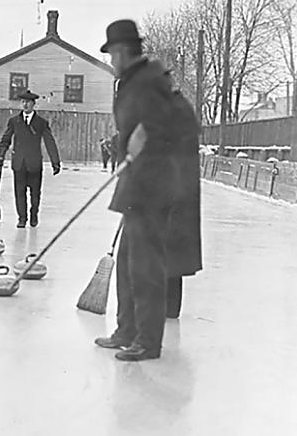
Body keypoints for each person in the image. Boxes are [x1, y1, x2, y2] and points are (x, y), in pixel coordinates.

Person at [93, 19, 201, 361]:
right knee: (127, 263)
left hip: (154, 188)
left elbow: (184, 121)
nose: (111, 62)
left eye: (112, 55)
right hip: (138, 185)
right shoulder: (134, 81)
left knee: (145, 266)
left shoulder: (151, 80)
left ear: (123, 52)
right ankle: (127, 330)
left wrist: (149, 135)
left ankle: (147, 341)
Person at [0, 89, 61, 228]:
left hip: (34, 164)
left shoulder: (41, 123)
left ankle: (34, 215)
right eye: (23, 102)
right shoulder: (14, 121)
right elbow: (6, 139)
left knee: (35, 194)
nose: (25, 105)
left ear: (34, 104)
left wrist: (55, 162)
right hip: (19, 163)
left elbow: (49, 142)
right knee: (19, 193)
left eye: (28, 102)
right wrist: (1, 154)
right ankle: (22, 218)